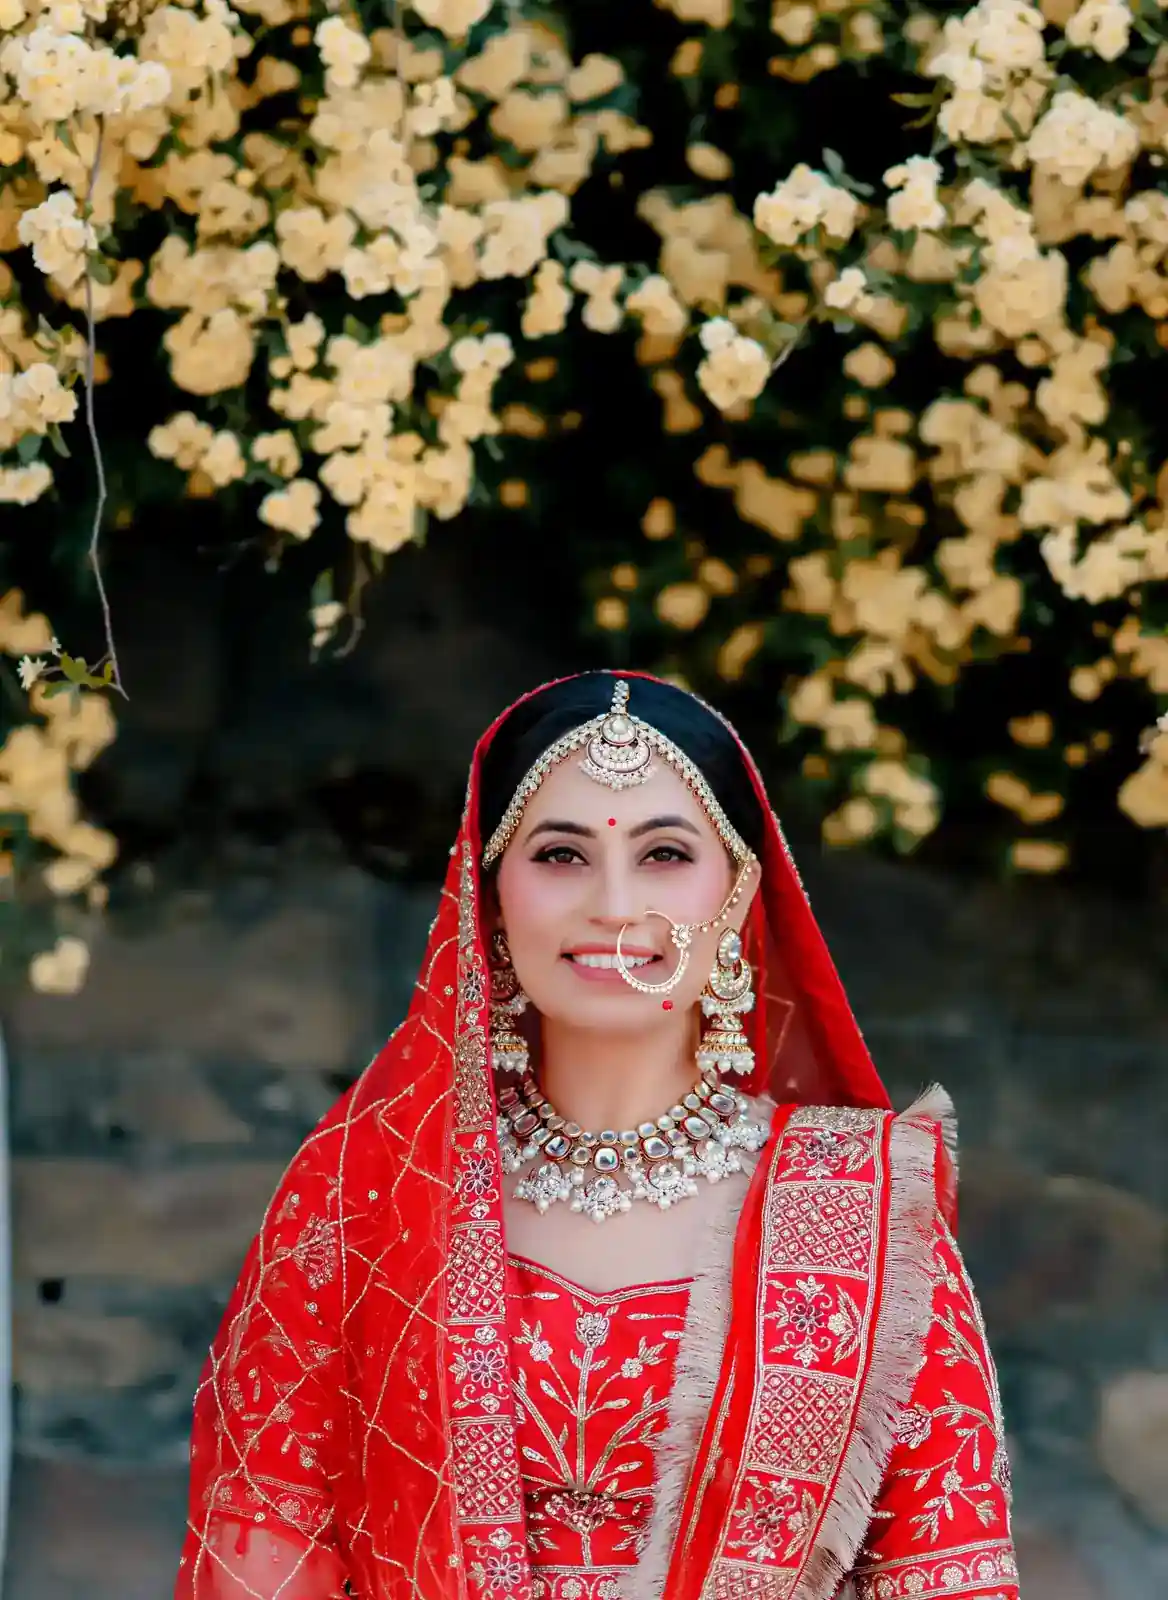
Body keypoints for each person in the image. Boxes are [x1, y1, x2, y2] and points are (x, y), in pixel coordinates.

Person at [175, 672, 1019, 1600]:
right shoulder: (365, 1195)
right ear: (491, 896)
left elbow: (952, 1569)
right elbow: (263, 1540)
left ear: (738, 893)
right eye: (560, 855)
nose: (615, 905)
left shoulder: (856, 1208)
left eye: (664, 853)